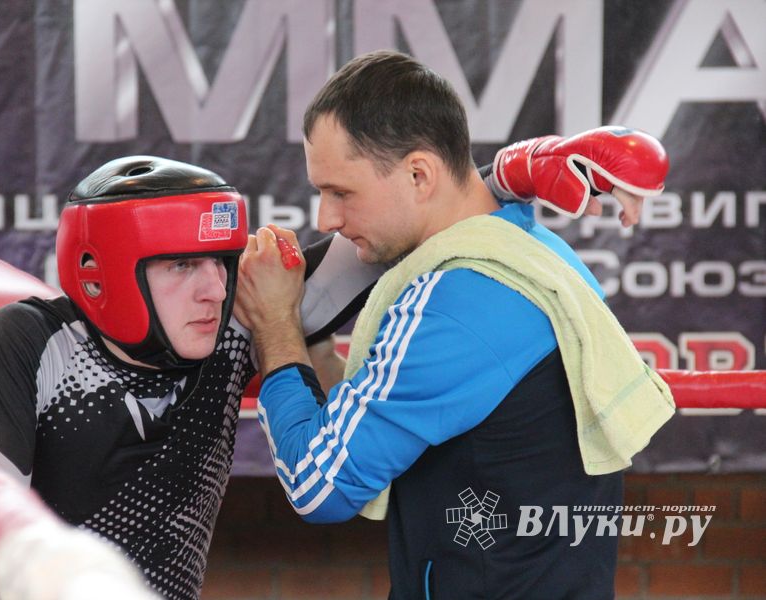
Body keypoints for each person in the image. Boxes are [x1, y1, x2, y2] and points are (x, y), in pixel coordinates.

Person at [0, 121, 661, 598]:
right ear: (103, 272)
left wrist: (512, 175)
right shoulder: (32, 342)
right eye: (182, 266)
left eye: (220, 263)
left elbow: (388, 235)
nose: (215, 288)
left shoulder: (236, 328)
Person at [234, 50, 674, 599]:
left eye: (341, 192)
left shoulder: (455, 303)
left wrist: (274, 324)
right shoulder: (525, 247)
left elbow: (317, 487)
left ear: (420, 174)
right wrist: (520, 170)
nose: (326, 219)